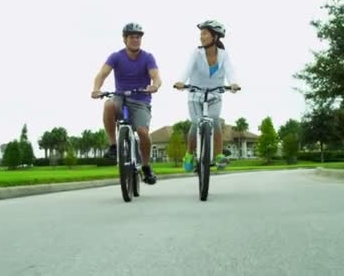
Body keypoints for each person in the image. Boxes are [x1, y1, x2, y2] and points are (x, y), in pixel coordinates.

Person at [91, 22, 162, 184]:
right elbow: (102, 74)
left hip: (140, 99)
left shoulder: (147, 57)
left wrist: (154, 86)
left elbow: (156, 77)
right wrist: (96, 89)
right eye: (132, 37)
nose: (135, 40)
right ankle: (113, 146)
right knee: (108, 104)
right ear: (125, 39)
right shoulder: (116, 56)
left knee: (143, 133)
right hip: (120, 97)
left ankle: (145, 166)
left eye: (138, 37)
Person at [174, 20, 240, 172]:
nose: (201, 37)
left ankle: (218, 155)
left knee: (215, 120)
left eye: (204, 33)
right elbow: (187, 68)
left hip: (215, 95)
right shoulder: (196, 53)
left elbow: (230, 71)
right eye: (201, 34)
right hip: (195, 95)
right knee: (196, 122)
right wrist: (181, 82)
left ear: (215, 37)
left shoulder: (224, 55)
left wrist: (234, 83)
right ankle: (190, 154)